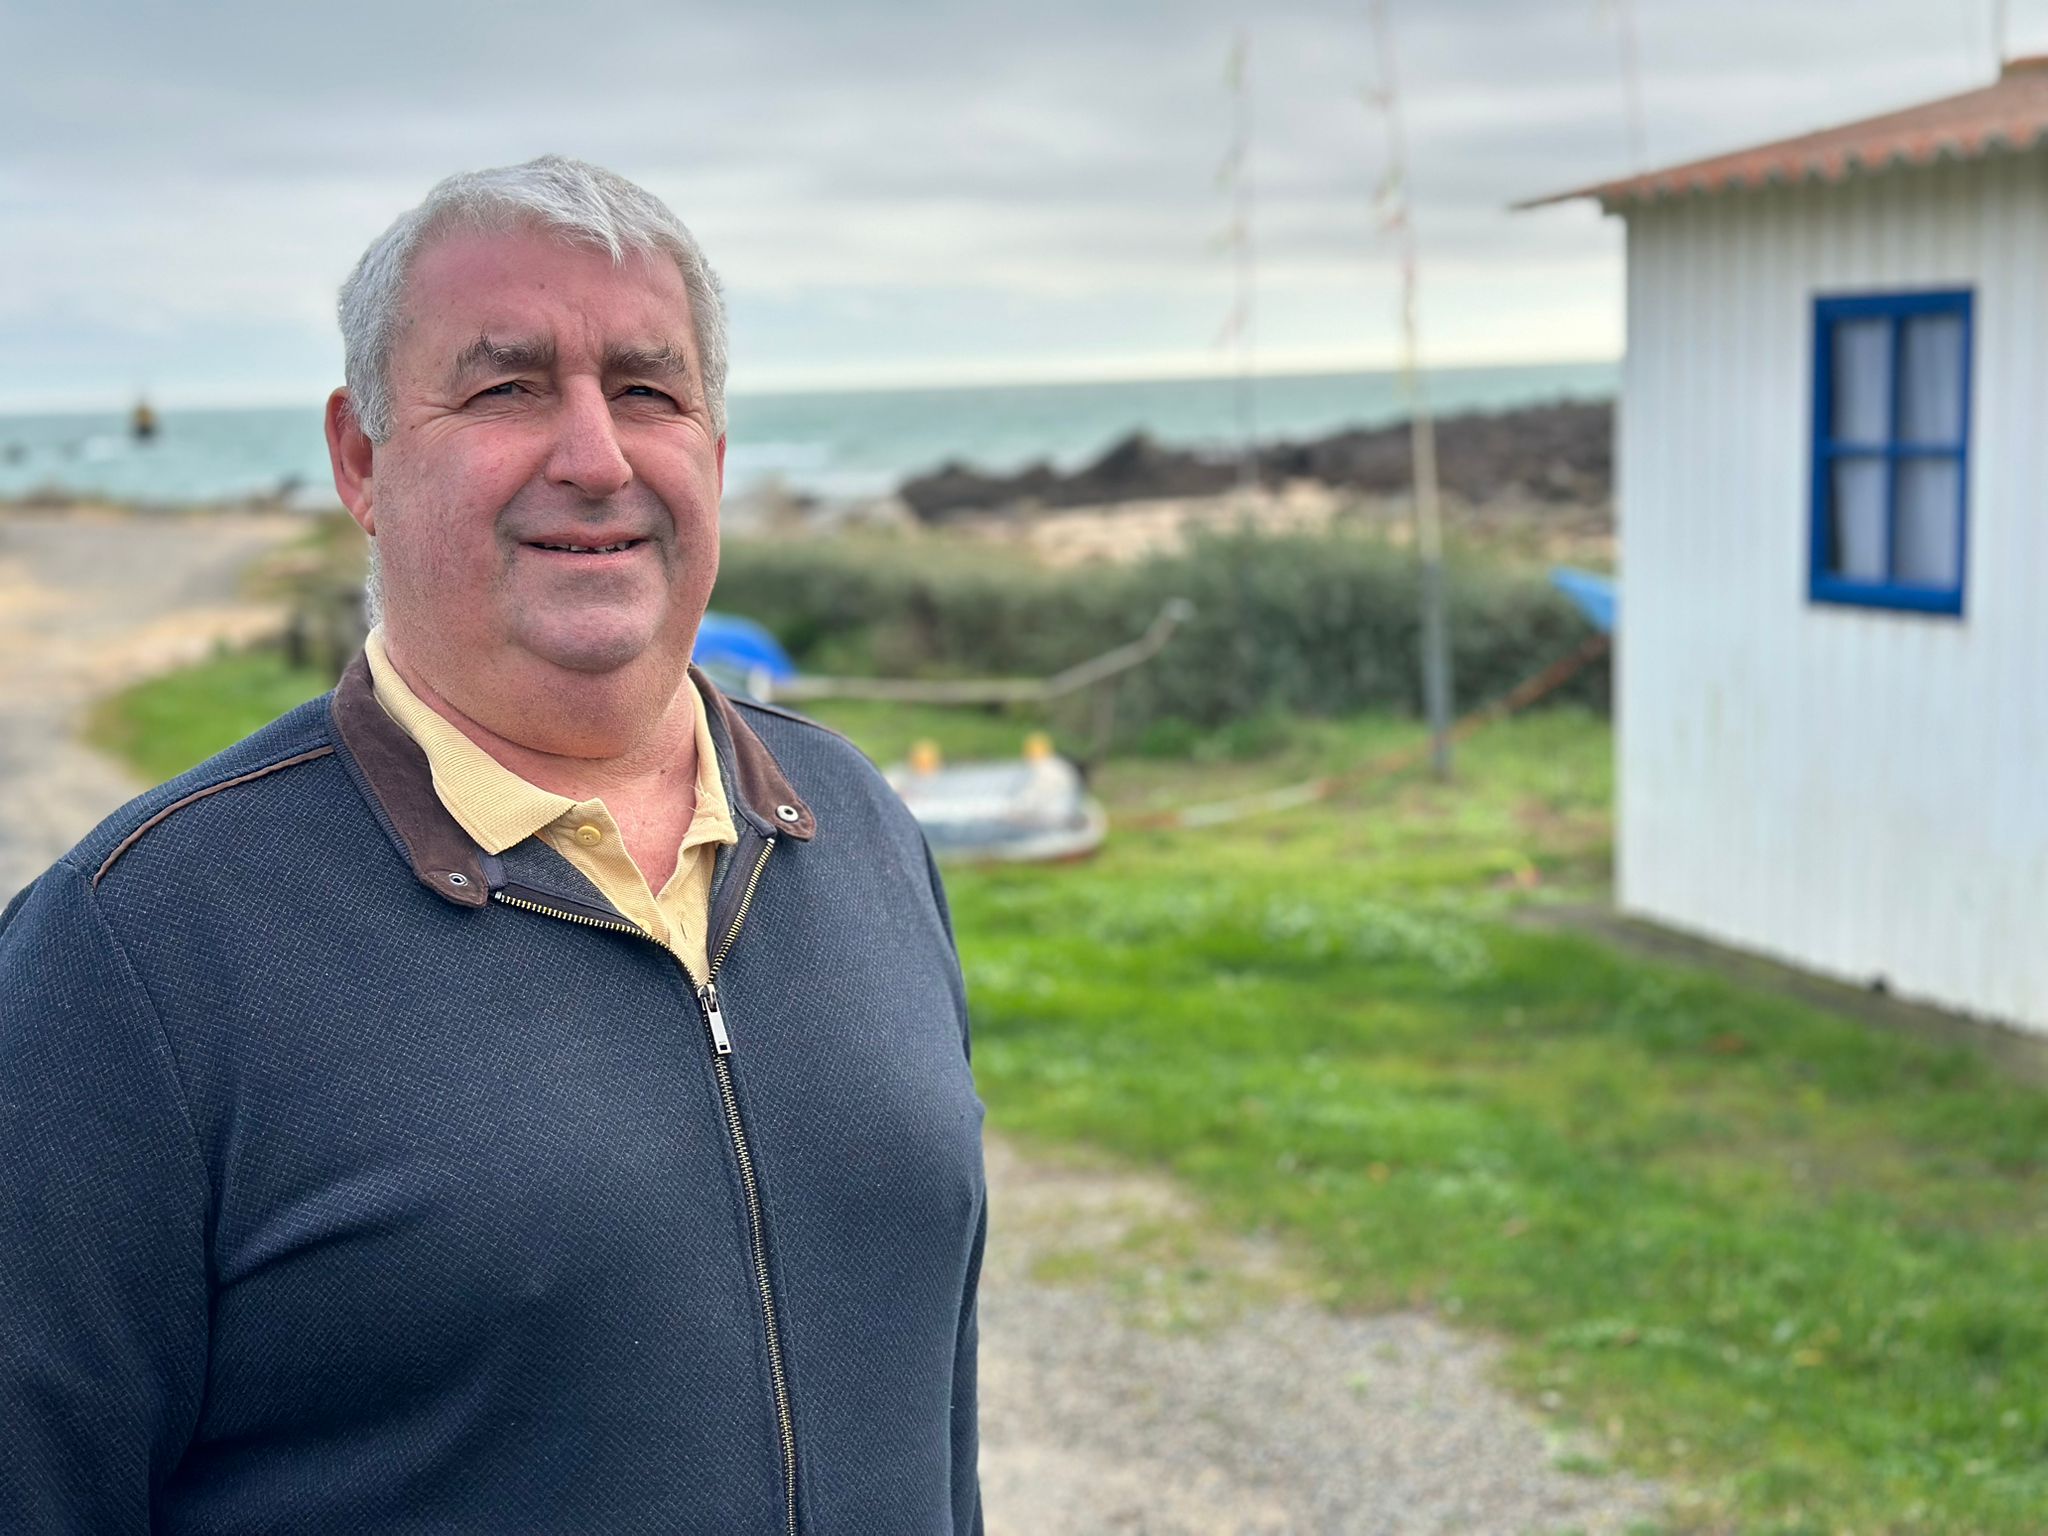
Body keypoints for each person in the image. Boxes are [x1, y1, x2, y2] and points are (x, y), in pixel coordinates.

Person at [0, 156, 986, 1535]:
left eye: (646, 390)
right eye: (508, 388)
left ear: (713, 455)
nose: (595, 457)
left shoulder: (856, 823)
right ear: (361, 460)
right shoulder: (130, 948)